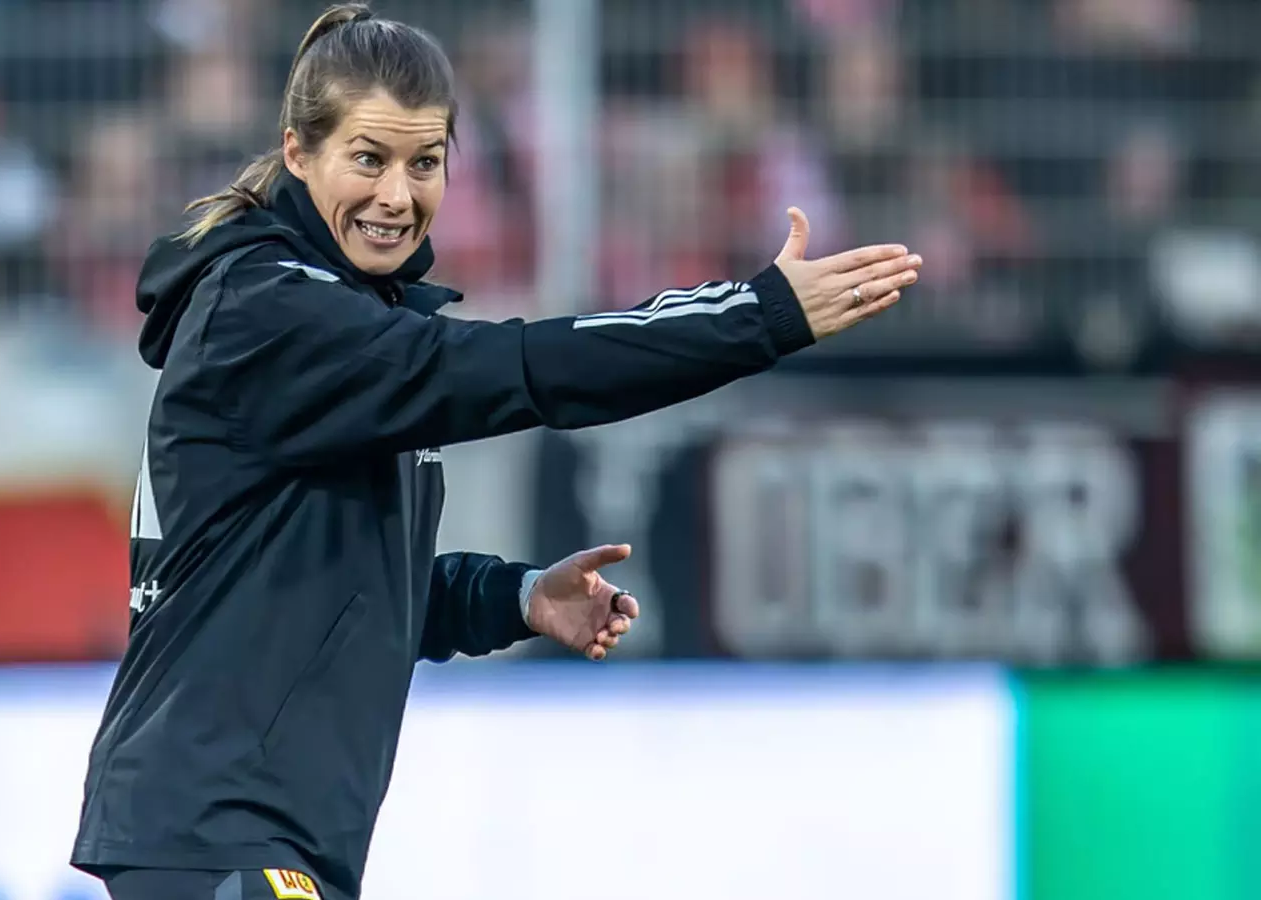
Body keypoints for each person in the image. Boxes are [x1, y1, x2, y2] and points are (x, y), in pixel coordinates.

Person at [69, 4, 923, 899]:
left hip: (244, 832)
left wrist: (514, 598)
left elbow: (349, 594)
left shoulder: (335, 322)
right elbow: (523, 368)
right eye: (368, 158)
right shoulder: (272, 313)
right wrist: (756, 316)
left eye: (424, 162)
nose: (397, 196)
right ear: (298, 153)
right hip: (217, 830)